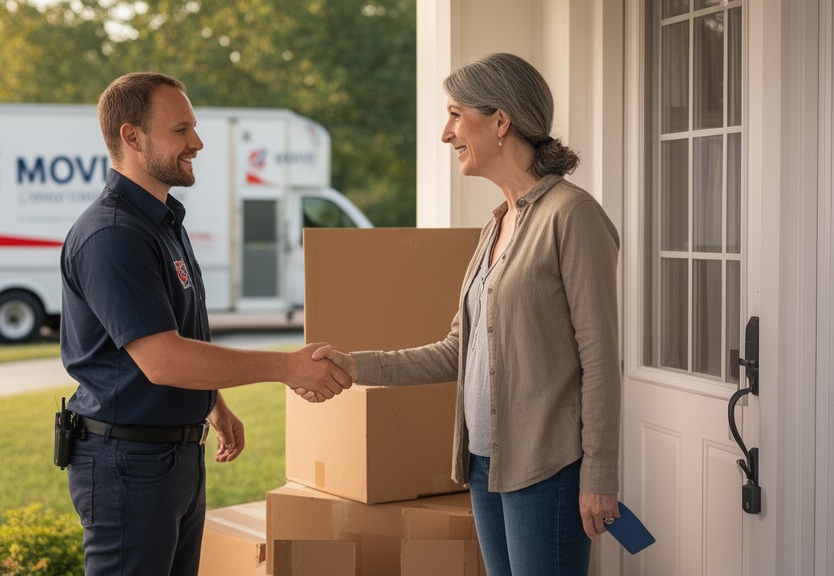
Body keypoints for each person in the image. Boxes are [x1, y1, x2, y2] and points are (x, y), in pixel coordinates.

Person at [311, 53, 621, 575]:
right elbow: (459, 349)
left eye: (455, 114)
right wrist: (354, 365)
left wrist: (601, 473)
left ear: (501, 121)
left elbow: (600, 358)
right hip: (484, 464)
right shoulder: (497, 224)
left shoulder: (572, 215)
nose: (445, 133)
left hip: (547, 469)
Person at [59, 72, 351, 576]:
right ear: (132, 137)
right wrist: (287, 367)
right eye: (181, 130)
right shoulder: (113, 235)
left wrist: (213, 403)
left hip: (171, 460)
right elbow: (162, 359)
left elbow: (177, 333)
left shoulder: (162, 222)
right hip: (128, 464)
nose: (197, 142)